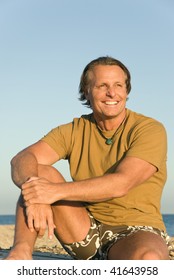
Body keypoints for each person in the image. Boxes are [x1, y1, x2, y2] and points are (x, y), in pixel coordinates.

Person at [5, 56, 170, 260]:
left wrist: (50, 192)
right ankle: (21, 252)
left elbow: (121, 183)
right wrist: (36, 196)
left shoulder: (149, 130)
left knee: (149, 259)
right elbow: (21, 159)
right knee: (37, 172)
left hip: (136, 231)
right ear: (87, 91)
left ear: (127, 91)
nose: (112, 93)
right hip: (83, 231)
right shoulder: (75, 130)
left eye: (118, 85)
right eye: (102, 85)